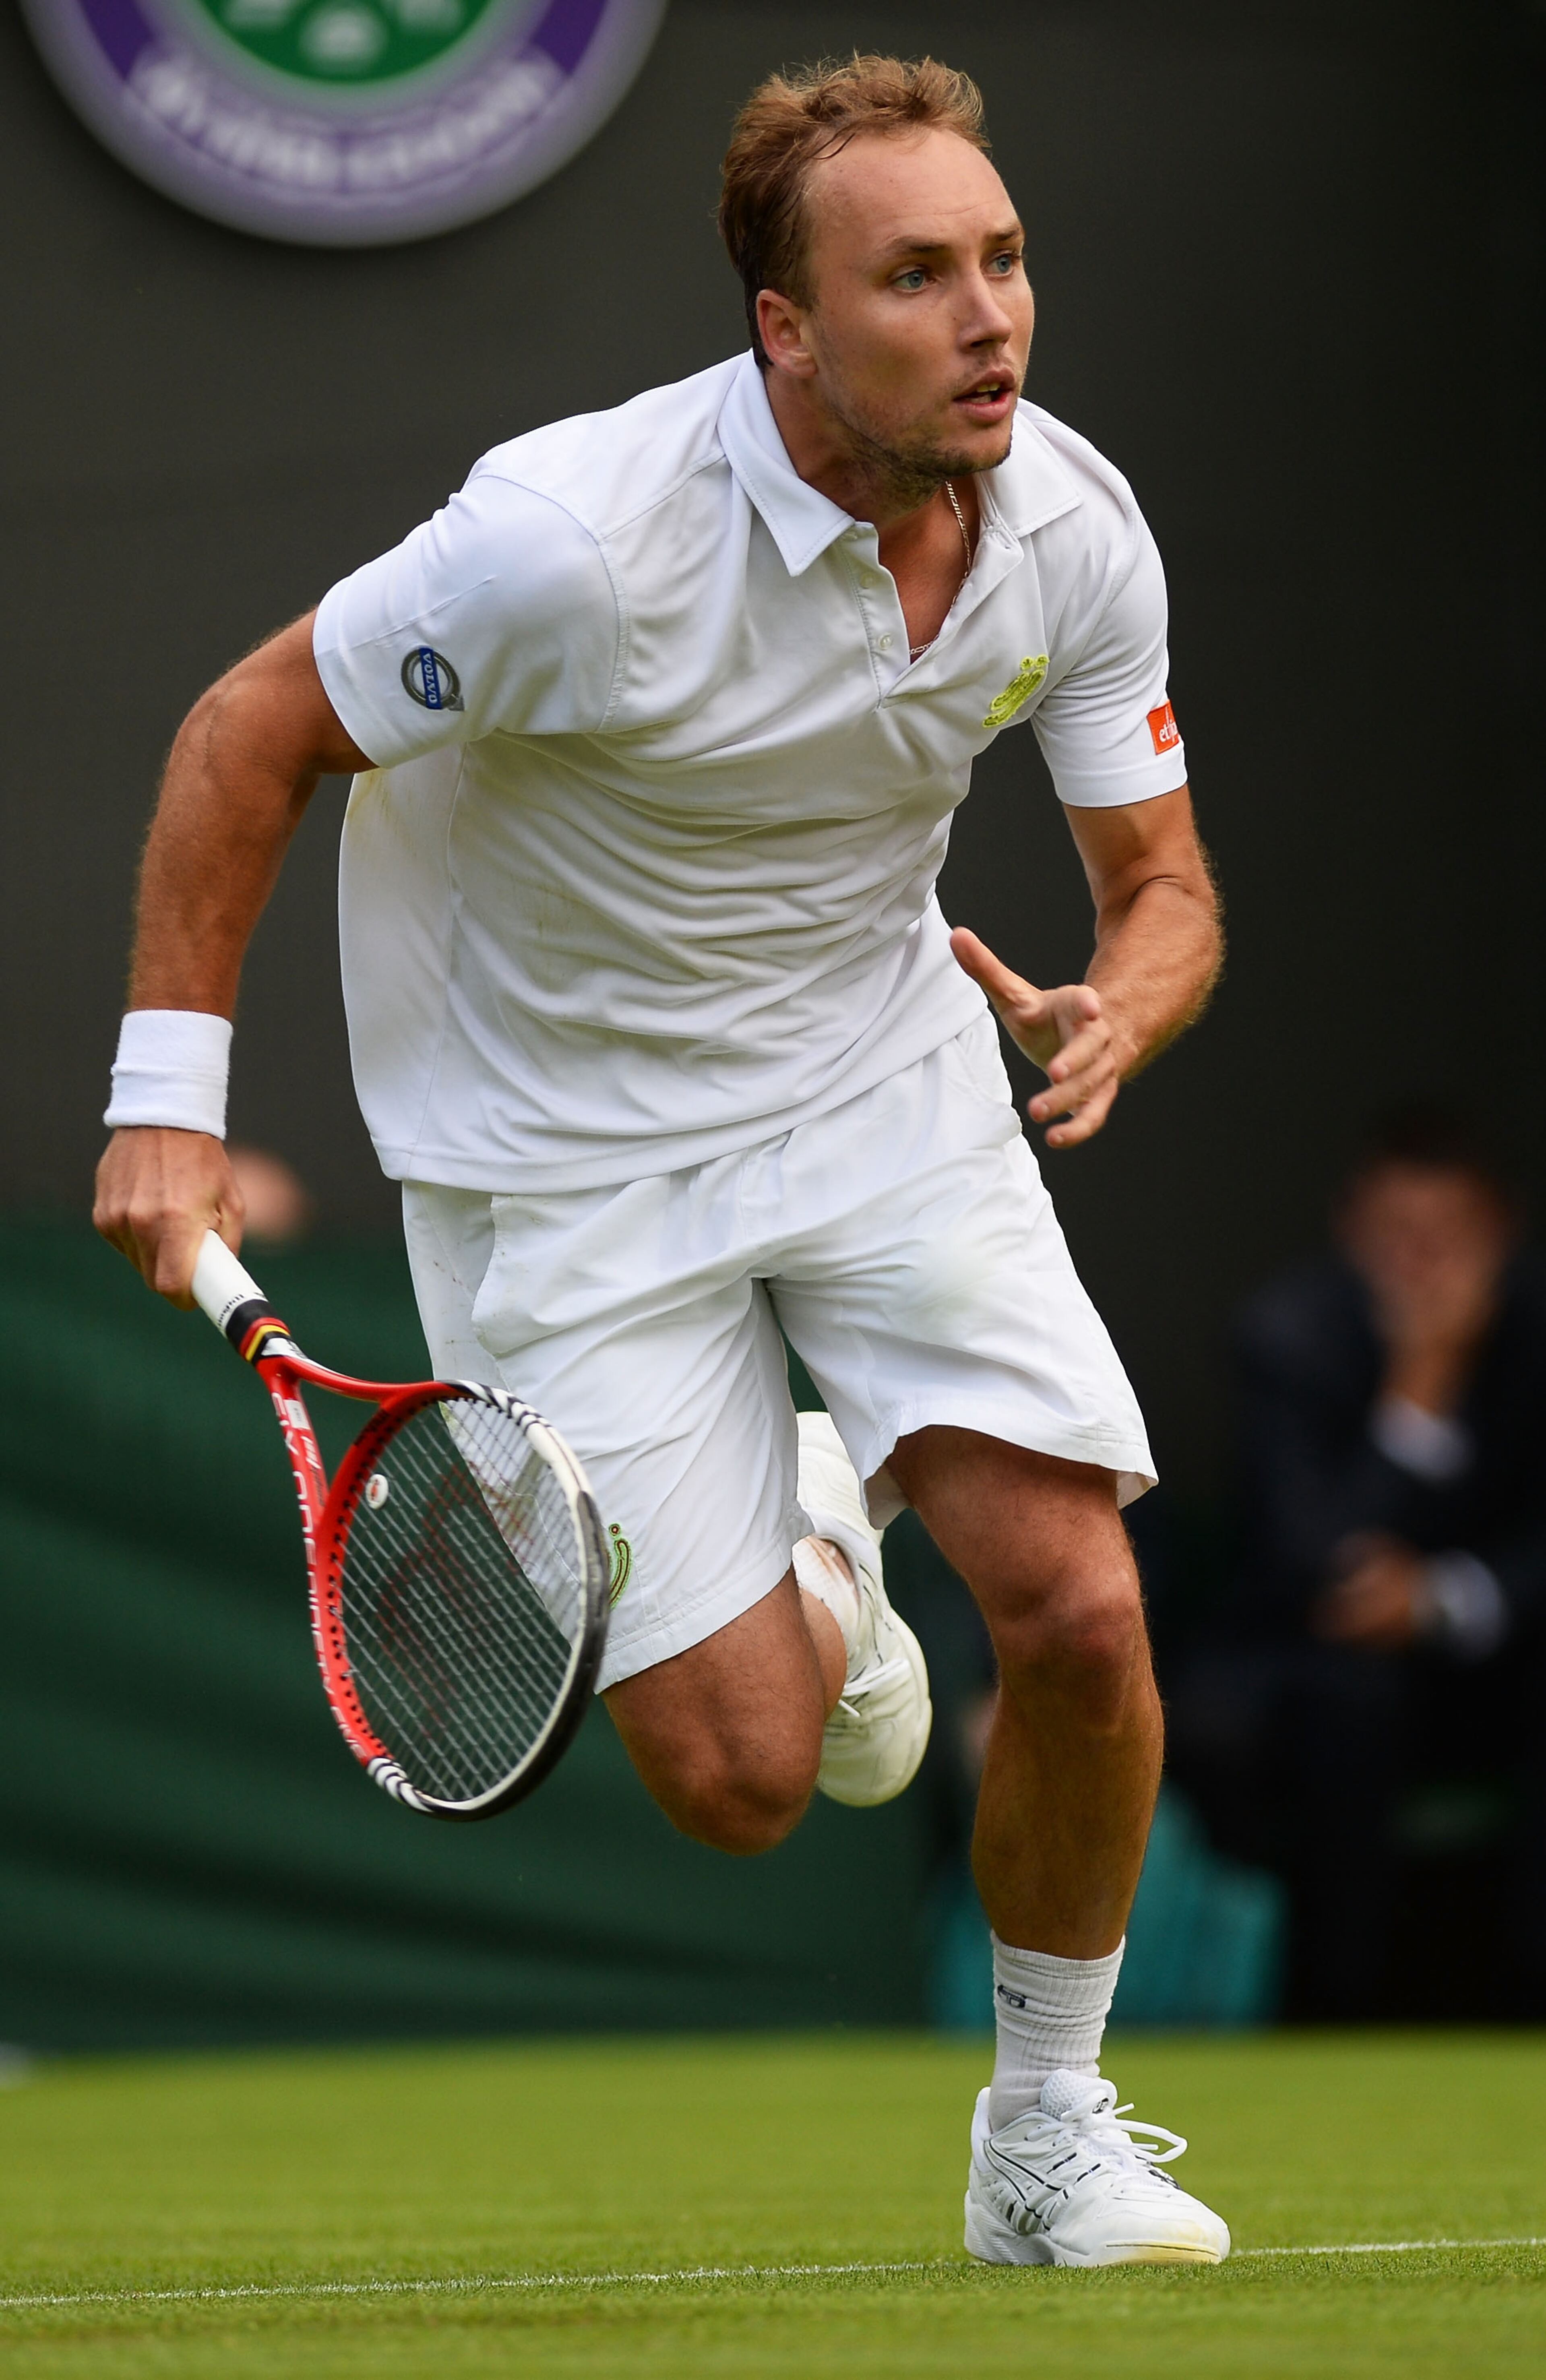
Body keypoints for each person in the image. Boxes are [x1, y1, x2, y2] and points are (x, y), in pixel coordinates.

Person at [93, 58, 1227, 2264]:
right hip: (563, 1166)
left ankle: (1047, 2131)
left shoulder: (1071, 529)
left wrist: (1128, 996)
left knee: (1081, 1610)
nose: (988, 316)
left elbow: (1163, 884)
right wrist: (168, 1096)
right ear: (785, 329)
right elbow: (251, 731)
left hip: (881, 1093)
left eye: (1004, 261)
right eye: (917, 276)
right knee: (746, 1783)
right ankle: (819, 1538)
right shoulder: (571, 544)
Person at [1173, 1109, 1546, 2016]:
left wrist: (1444, 1599)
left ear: (1502, 1234)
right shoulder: (1288, 1334)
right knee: (1347, 1702)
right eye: (1395, 1237)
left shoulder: (1535, 1331)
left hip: (1495, 1657)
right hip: (1316, 1667)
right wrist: (1421, 1386)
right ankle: (1339, 2010)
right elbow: (1314, 1561)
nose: (1420, 1264)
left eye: (1448, 1238)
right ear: (1350, 1230)